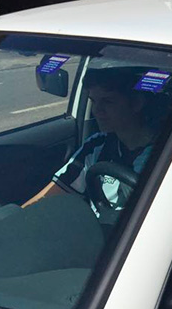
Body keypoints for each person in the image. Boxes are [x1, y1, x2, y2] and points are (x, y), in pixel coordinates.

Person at [23, 68, 155, 216]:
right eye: (94, 101)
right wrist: (15, 220)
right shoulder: (97, 145)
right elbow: (52, 194)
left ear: (136, 103)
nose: (96, 110)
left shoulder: (165, 155)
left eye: (107, 101)